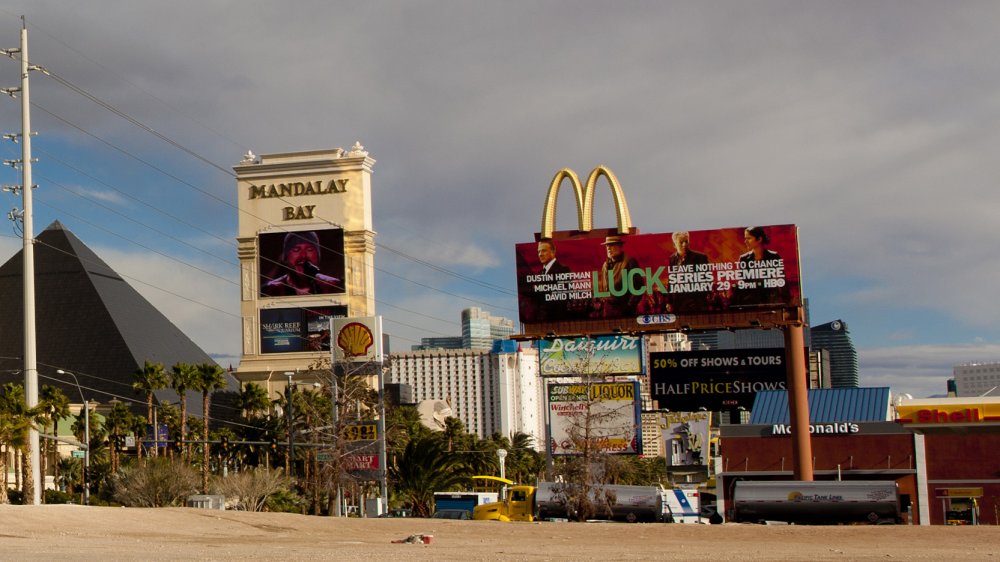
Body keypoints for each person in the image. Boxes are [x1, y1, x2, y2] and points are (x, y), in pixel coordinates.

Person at [262, 231, 342, 296]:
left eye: (309, 249)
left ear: (318, 256)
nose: (303, 255)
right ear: (286, 257)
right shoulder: (270, 290)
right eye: (296, 250)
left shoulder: (335, 287)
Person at [731, 226, 783, 308]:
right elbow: (742, 283)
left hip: (770, 301)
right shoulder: (743, 259)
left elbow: (782, 281)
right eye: (745, 238)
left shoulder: (774, 256)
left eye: (749, 238)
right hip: (750, 303)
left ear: (759, 239)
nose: (745, 241)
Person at [593, 235, 641, 318]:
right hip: (608, 311)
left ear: (620, 247)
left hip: (624, 311)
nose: (608, 248)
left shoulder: (629, 262)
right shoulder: (605, 265)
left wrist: (629, 307)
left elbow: (639, 287)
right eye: (607, 246)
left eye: (612, 245)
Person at [667, 231, 711, 314]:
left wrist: (703, 298)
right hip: (678, 302)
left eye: (686, 241)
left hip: (695, 302)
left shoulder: (700, 257)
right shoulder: (672, 259)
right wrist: (669, 301)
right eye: (681, 242)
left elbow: (707, 279)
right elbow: (671, 281)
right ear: (674, 245)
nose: (684, 244)